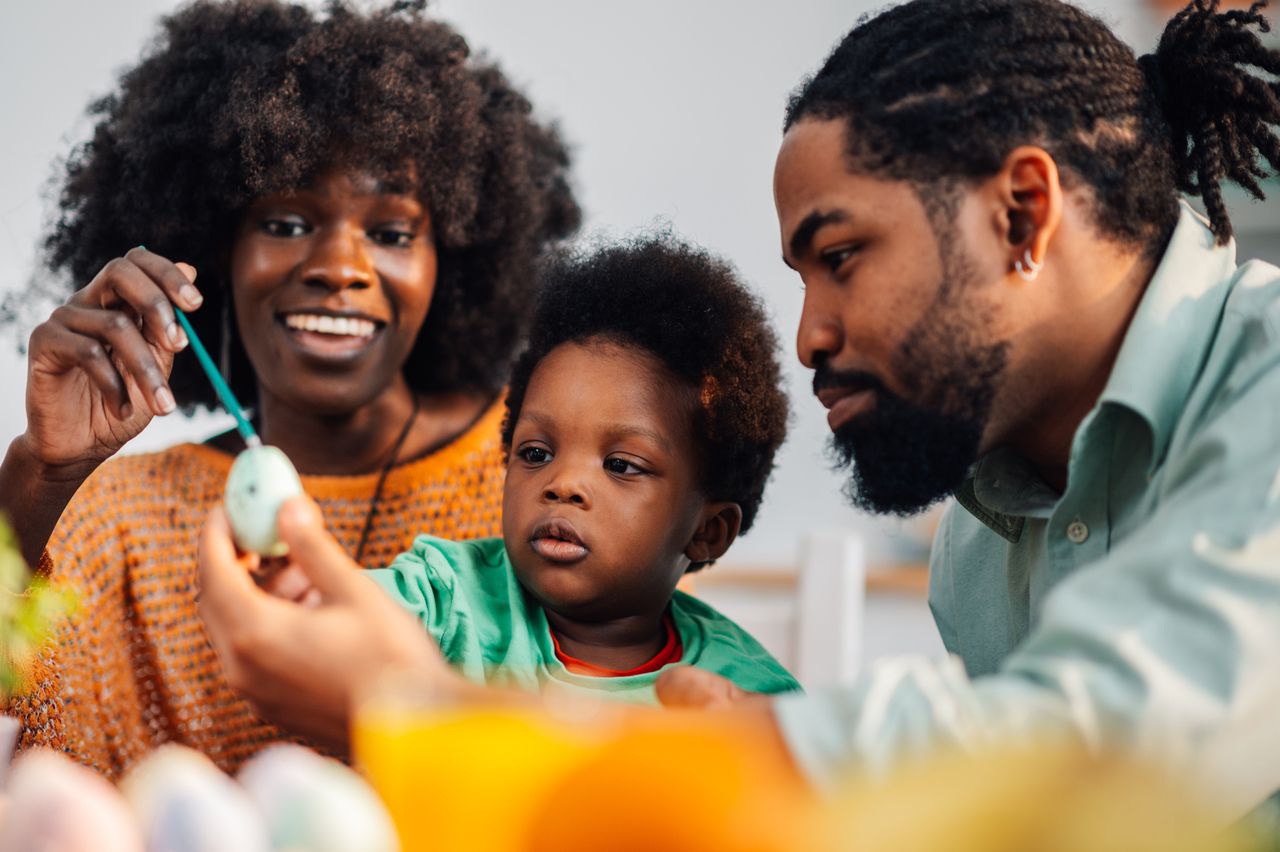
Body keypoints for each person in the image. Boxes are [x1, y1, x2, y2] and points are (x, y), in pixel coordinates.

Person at [196, 0, 1280, 820]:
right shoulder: (979, 548)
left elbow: (1106, 742)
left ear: (1021, 212)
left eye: (841, 255)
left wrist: (425, 711)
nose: (808, 334)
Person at [0, 0, 578, 779]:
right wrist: (43, 472)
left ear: (459, 262)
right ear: (211, 251)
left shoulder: (537, 481)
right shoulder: (122, 519)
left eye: (391, 231)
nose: (340, 265)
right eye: (284, 221)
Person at [277, 236, 798, 704]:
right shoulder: (448, 596)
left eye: (620, 465)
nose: (563, 484)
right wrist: (296, 584)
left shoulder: (748, 696)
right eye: (536, 454)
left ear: (708, 531)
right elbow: (343, 614)